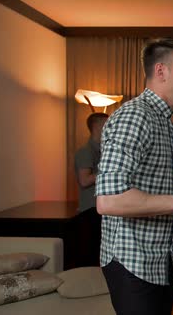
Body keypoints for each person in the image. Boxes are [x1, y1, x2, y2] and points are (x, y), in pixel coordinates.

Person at [95, 39, 173, 315]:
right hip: (134, 262)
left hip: (162, 259)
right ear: (161, 71)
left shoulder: (164, 121)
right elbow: (109, 201)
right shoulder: (133, 117)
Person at [74, 112, 108, 267]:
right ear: (98, 127)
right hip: (90, 210)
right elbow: (84, 180)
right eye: (108, 124)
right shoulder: (86, 152)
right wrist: (108, 171)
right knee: (92, 254)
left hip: (101, 208)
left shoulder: (103, 151)